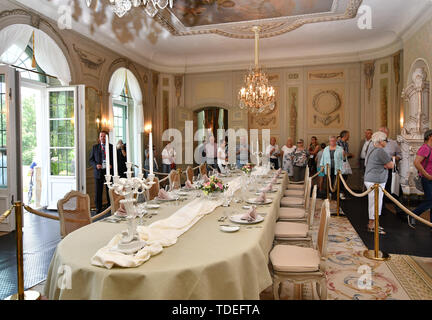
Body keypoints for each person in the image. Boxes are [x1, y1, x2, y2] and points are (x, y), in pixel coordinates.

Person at [364, 131, 394, 235]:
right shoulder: (380, 151)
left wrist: (385, 164)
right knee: (376, 203)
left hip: (371, 178)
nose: (386, 142)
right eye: (386, 140)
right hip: (375, 180)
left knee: (374, 202)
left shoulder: (372, 148)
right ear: (381, 141)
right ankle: (373, 225)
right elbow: (390, 165)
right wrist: (388, 163)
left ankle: (372, 223)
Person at [408, 129, 432, 229]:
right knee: (430, 201)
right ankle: (413, 215)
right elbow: (416, 162)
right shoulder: (425, 148)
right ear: (430, 136)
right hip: (427, 179)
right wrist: (426, 175)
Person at [89, 131, 113, 213]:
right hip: (98, 172)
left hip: (108, 172)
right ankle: (98, 208)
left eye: (104, 136)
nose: (102, 138)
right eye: (101, 136)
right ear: (99, 138)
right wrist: (96, 165)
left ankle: (110, 207)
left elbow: (116, 160)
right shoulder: (95, 147)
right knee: (98, 191)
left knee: (109, 191)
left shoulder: (111, 147)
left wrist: (111, 165)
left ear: (107, 138)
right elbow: (91, 160)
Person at [378, 127, 402, 200]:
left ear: (386, 133)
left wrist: (396, 157)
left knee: (395, 187)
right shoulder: (375, 143)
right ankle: (382, 204)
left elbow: (400, 154)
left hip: (391, 168)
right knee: (380, 188)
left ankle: (396, 206)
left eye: (382, 132)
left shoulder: (393, 143)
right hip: (379, 168)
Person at [337, 130, 354, 200]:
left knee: (345, 177)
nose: (349, 136)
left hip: (345, 163)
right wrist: (349, 154)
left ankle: (341, 192)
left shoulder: (346, 143)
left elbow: (345, 153)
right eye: (348, 135)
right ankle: (339, 193)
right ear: (345, 136)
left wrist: (349, 155)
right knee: (341, 178)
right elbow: (341, 154)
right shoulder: (338, 143)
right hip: (339, 164)